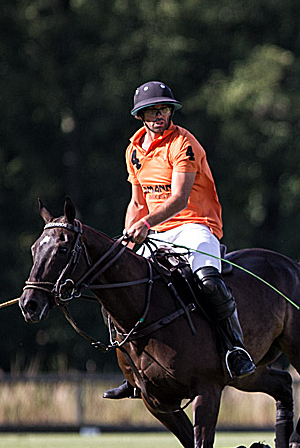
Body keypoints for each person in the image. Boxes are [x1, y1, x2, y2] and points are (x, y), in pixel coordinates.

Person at [102, 81, 256, 399]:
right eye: (152, 110)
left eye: (164, 108)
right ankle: (132, 371)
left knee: (208, 281)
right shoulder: (134, 151)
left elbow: (180, 198)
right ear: (140, 115)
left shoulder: (183, 144)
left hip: (195, 225)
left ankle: (235, 349)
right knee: (116, 280)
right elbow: (137, 201)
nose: (159, 115)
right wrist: (128, 238)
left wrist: (145, 224)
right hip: (156, 231)